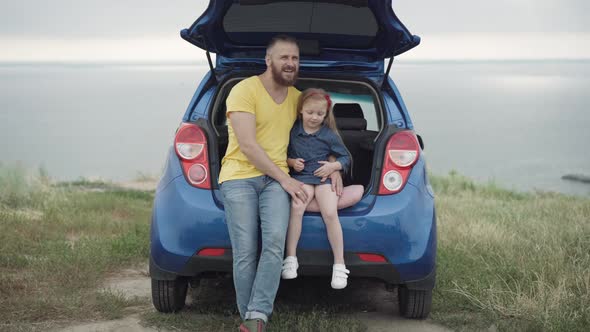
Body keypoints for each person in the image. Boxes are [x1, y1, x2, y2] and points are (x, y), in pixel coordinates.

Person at [281, 88, 361, 289]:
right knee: (296, 208)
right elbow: (282, 154)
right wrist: (291, 163)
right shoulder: (293, 131)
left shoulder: (328, 135)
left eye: (319, 114)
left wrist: (333, 166)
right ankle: (290, 259)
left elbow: (345, 157)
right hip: (302, 178)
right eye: (309, 113)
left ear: (326, 115)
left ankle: (339, 265)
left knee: (330, 213)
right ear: (300, 110)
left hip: (324, 179)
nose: (314, 118)